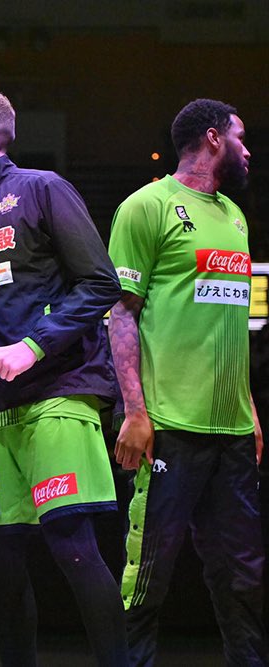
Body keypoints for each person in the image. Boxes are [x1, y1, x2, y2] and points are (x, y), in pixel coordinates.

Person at [0, 88, 127, 666]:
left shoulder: (42, 189)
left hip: (58, 396)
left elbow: (101, 284)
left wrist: (33, 346)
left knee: (72, 547)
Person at [108, 98, 266, 666]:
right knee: (146, 579)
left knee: (244, 579)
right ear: (214, 138)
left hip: (232, 434)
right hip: (168, 427)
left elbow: (227, 325)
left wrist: (249, 410)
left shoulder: (236, 217)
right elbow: (121, 314)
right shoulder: (145, 207)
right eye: (241, 137)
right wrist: (134, 411)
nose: (249, 151)